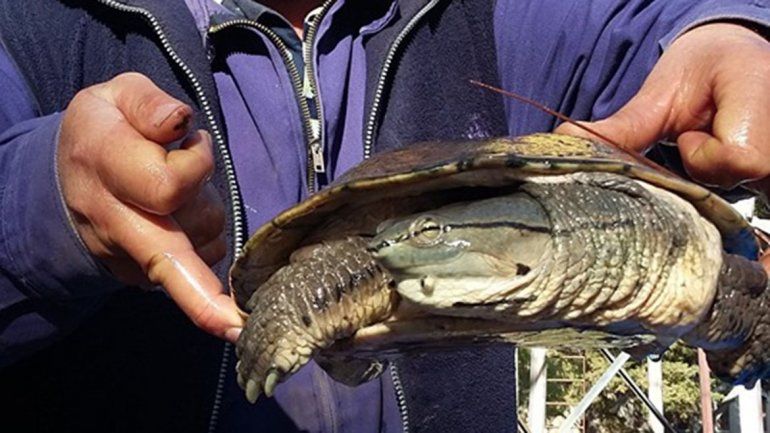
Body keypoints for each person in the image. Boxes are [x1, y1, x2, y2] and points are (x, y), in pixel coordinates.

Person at [0, 0, 768, 431]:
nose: (394, 251)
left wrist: (736, 31)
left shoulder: (490, 15)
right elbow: (380, 250)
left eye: (422, 235)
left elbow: (666, 21)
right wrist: (45, 204)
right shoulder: (38, 26)